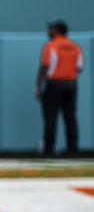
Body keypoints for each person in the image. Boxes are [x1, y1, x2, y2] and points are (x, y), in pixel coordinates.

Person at [36, 20, 82, 157]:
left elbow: (44, 66)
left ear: (58, 30)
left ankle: (49, 148)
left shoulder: (51, 46)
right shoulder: (75, 47)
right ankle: (72, 148)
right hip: (71, 83)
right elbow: (79, 67)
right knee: (70, 117)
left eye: (52, 29)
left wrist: (38, 85)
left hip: (55, 83)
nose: (49, 31)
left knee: (51, 117)